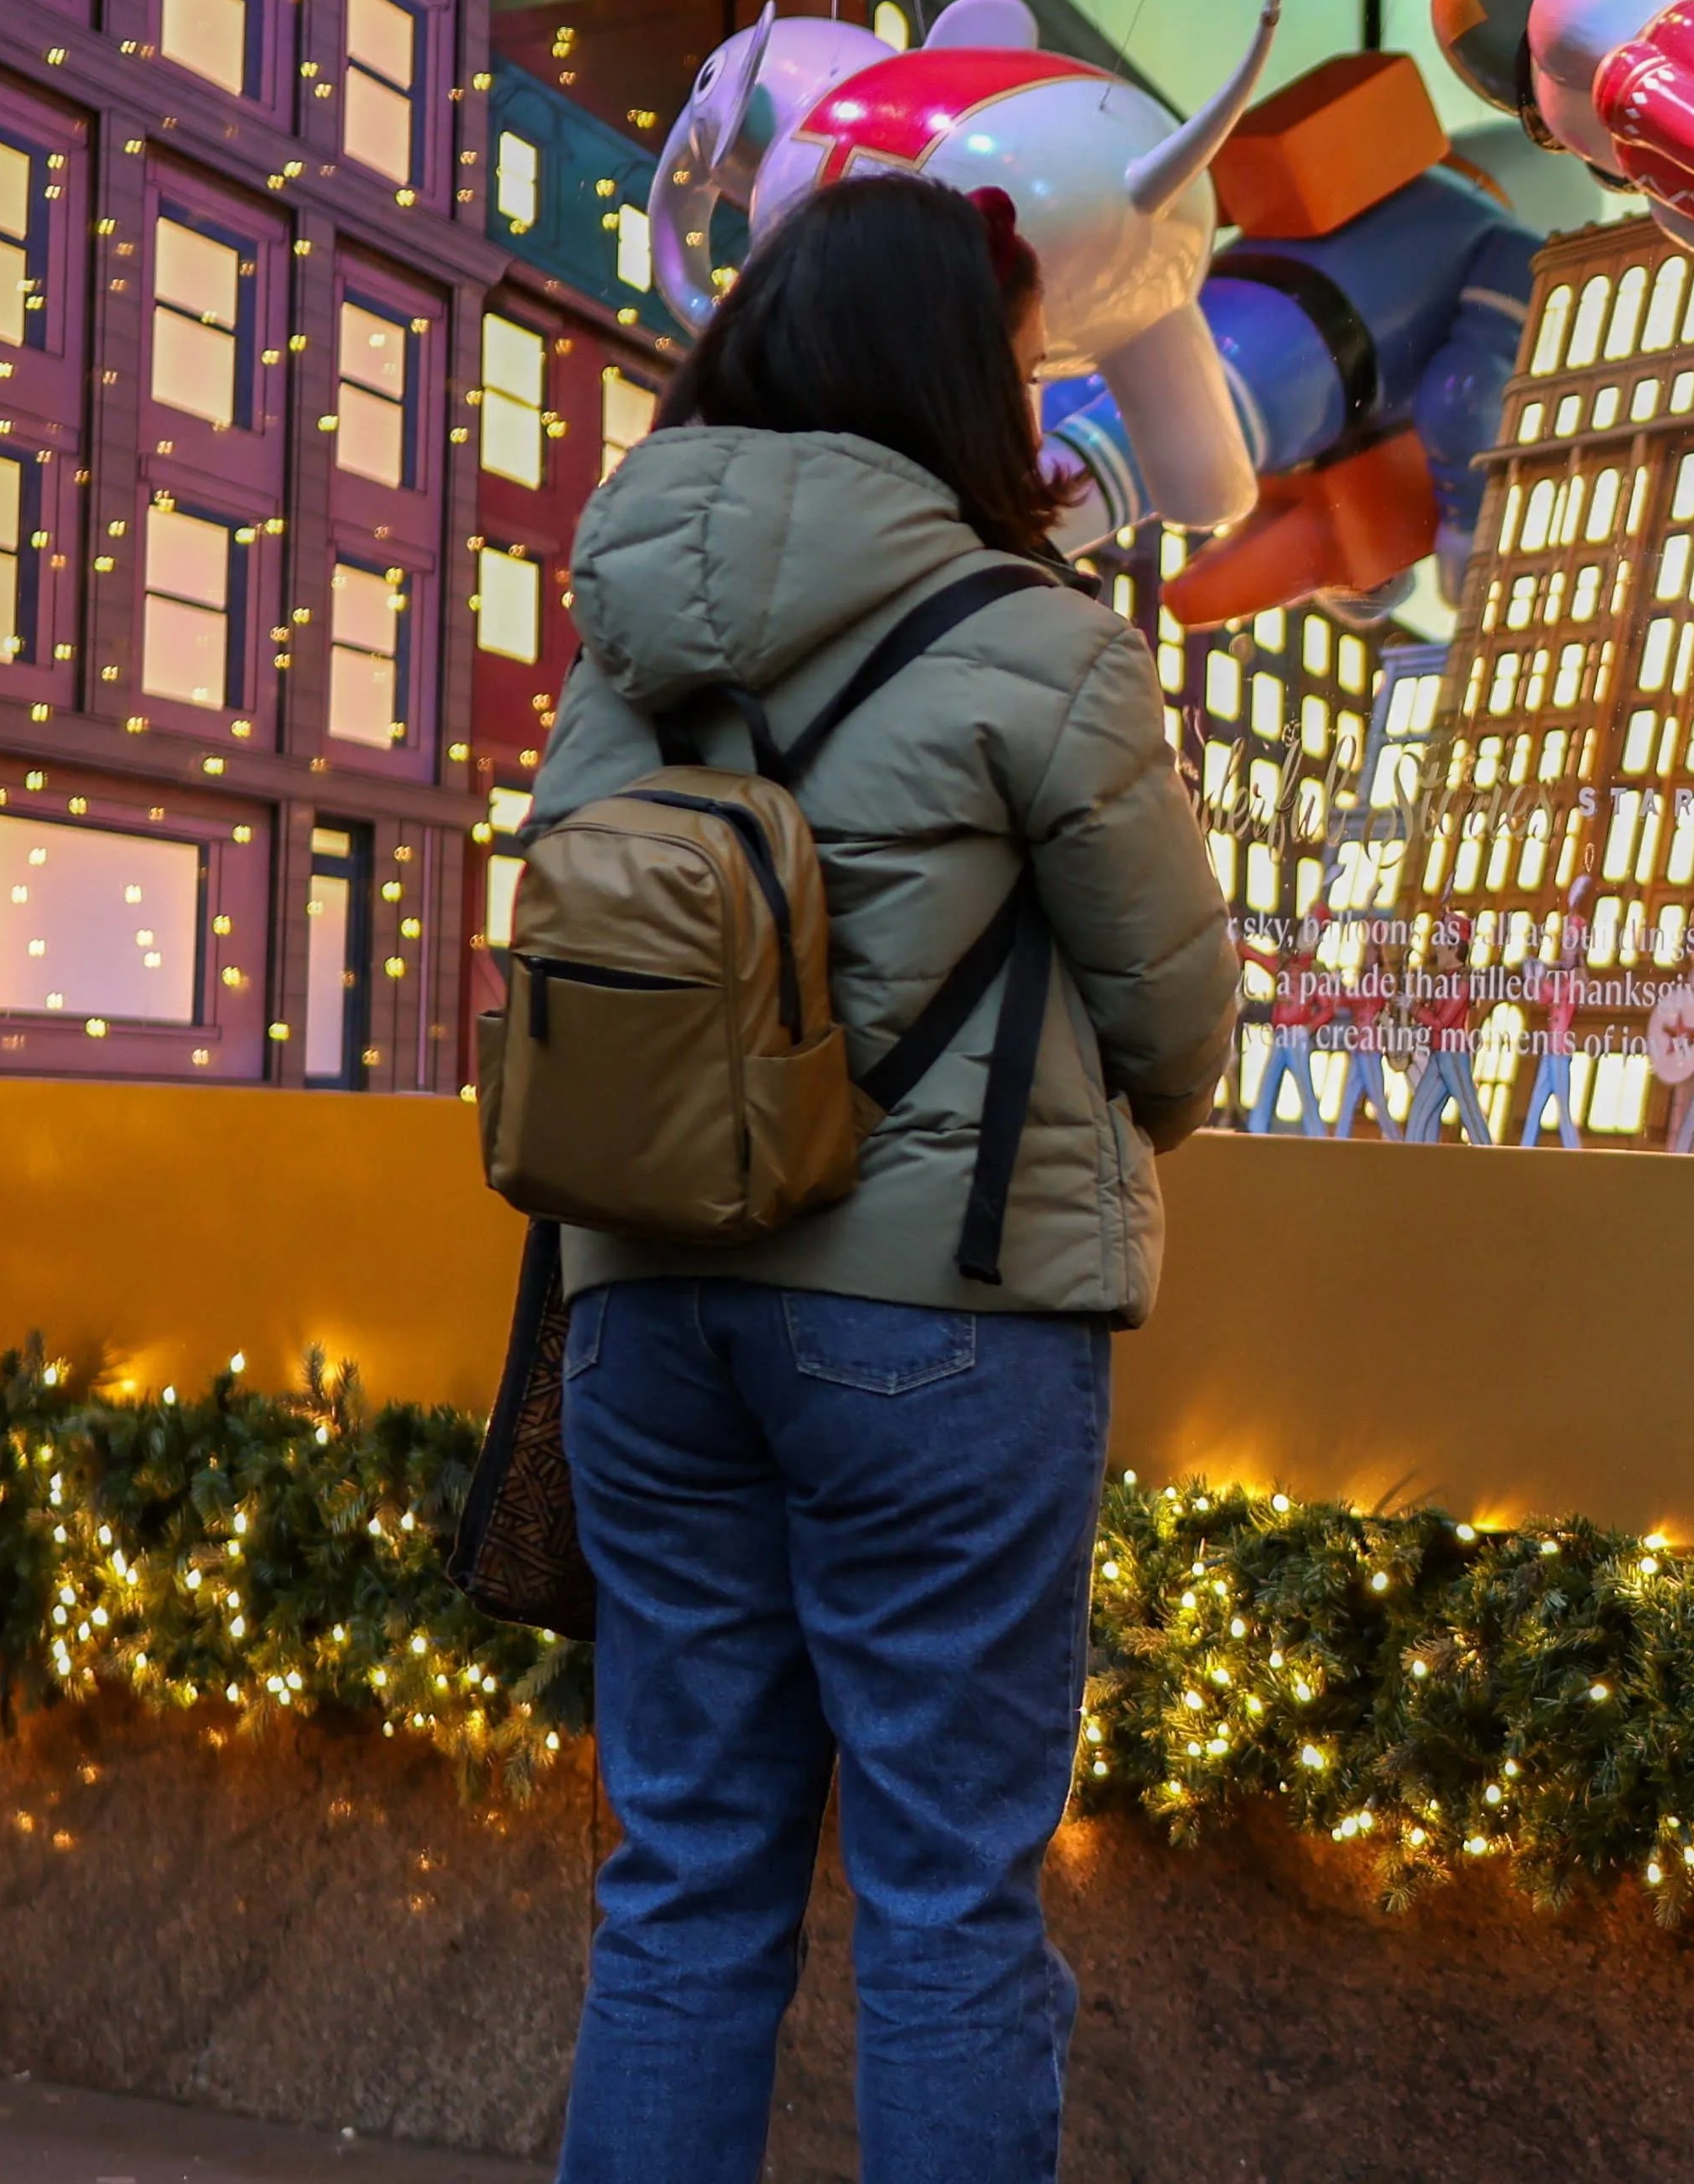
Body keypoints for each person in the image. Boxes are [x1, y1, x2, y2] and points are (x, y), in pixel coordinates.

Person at [533, 171, 1248, 2184]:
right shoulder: (1041, 650)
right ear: (957, 372)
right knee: (945, 1900)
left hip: (644, 1315)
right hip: (933, 1326)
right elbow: (1177, 1028)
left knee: (680, 1884)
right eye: (1019, 354)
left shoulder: (623, 649)